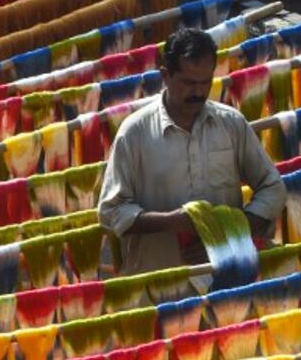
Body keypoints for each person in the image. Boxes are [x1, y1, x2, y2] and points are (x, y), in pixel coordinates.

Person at [98, 27, 286, 275]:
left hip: (225, 279)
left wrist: (230, 233)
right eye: (188, 83)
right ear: (166, 75)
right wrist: (172, 221)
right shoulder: (135, 133)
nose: (198, 92)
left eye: (205, 82)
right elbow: (110, 211)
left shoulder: (231, 124)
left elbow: (273, 187)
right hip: (158, 285)